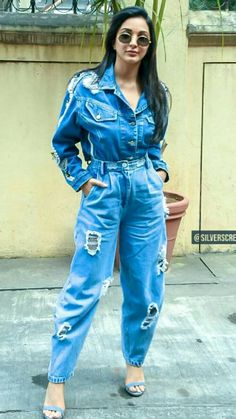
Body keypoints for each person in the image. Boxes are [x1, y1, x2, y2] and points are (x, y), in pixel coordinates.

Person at [43, 5, 170, 419]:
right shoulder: (85, 87)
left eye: (142, 39)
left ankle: (135, 360)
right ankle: (57, 379)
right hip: (102, 192)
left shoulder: (158, 93)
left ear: (148, 48)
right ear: (113, 40)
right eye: (126, 36)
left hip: (146, 196)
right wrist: (80, 178)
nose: (134, 44)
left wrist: (159, 171)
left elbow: (155, 145)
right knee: (86, 284)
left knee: (146, 284)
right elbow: (63, 143)